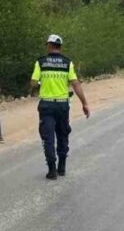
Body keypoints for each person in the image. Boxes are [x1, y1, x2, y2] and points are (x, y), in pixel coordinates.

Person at [30, 34, 90, 180]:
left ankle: (52, 170)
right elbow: (75, 84)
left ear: (49, 46)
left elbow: (33, 83)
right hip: (63, 105)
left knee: (48, 137)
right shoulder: (67, 63)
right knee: (63, 135)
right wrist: (85, 103)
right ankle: (61, 167)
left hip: (46, 105)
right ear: (60, 47)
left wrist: (39, 86)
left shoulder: (41, 62)